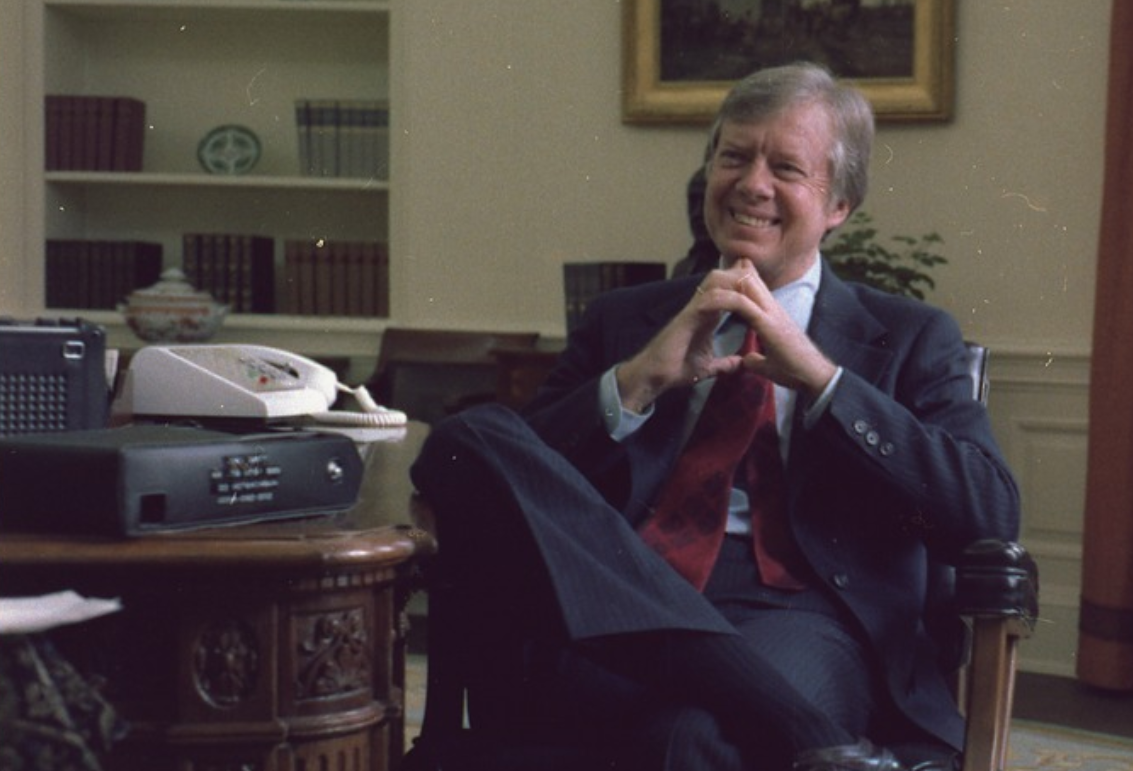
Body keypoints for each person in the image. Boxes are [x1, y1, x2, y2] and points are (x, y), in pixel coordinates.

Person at [410, 62, 1020, 770]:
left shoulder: (909, 335)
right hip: (612, 608)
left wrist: (823, 382)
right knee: (466, 437)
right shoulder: (625, 322)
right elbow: (516, 477)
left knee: (691, 737)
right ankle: (816, 739)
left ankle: (778, 710)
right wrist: (637, 382)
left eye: (786, 167)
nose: (752, 184)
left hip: (797, 617)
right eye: (734, 156)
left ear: (840, 205)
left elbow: (990, 510)